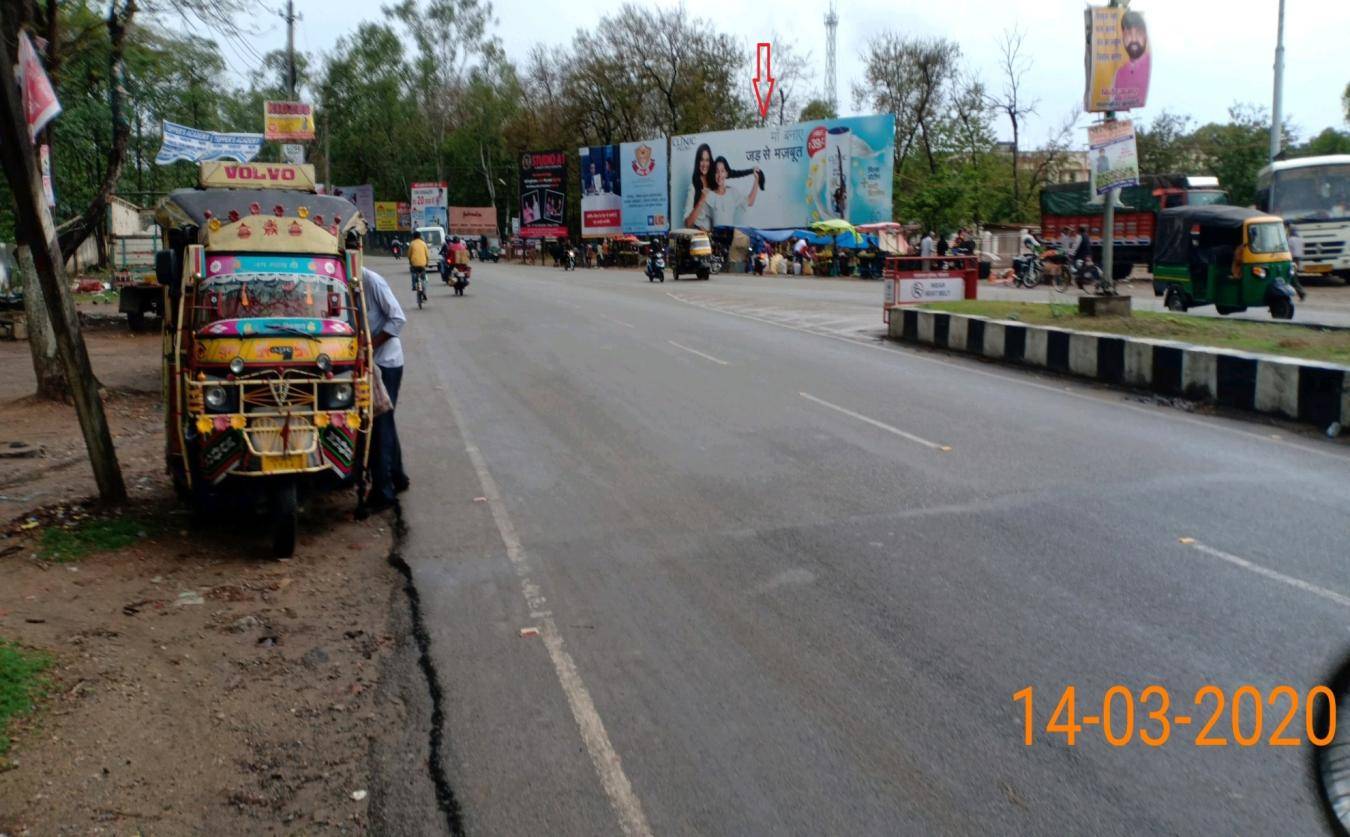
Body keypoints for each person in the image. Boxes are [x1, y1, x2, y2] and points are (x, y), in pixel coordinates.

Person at [359, 254, 409, 513]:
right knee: (384, 419)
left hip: (386, 363)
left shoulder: (372, 281)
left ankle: (384, 491)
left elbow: (398, 319)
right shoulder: (341, 283)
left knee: (379, 423)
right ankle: (397, 477)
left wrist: (369, 347)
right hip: (368, 363)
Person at [1113, 10, 1150, 107]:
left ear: (1145, 37)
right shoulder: (1120, 72)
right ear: (1123, 37)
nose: (1133, 39)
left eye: (1138, 33)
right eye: (1129, 34)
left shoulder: (1152, 65)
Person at [1286, 223, 1308, 301]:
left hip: (1291, 260)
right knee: (1293, 277)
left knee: (1293, 278)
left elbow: (1288, 250)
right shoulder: (1301, 239)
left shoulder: (1290, 239)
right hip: (1298, 260)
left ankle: (1301, 293)